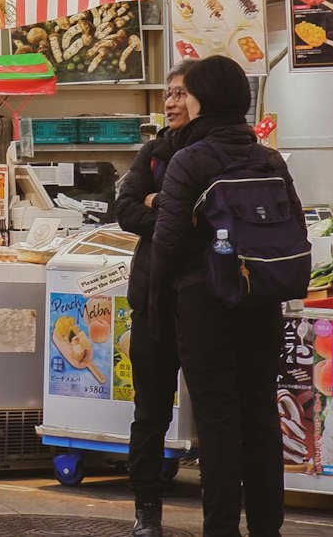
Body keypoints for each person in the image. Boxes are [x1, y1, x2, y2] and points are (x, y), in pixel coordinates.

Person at [152, 55, 305, 537]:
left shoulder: (190, 158)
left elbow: (169, 243)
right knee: (260, 416)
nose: (180, 101)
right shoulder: (268, 157)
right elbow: (295, 227)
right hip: (262, 301)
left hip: (205, 305)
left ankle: (220, 528)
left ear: (207, 99)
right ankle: (267, 528)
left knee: (217, 421)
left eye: (187, 93)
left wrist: (165, 301)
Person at [114, 62, 198, 537]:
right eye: (168, 93)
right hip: (151, 296)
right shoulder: (153, 152)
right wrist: (168, 209)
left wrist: (156, 203)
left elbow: (205, 217)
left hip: (207, 299)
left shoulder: (214, 153)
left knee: (214, 407)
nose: (170, 102)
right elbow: (124, 208)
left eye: (181, 93)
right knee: (150, 410)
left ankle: (223, 502)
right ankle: (147, 508)